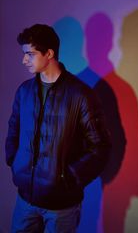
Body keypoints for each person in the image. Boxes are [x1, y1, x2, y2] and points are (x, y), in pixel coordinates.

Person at [5, 24, 111, 233]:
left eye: (30, 54)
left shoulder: (81, 95)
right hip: (25, 199)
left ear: (49, 53)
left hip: (61, 207)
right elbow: (13, 129)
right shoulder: (24, 91)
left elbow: (101, 147)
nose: (24, 60)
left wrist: (70, 177)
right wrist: (14, 160)